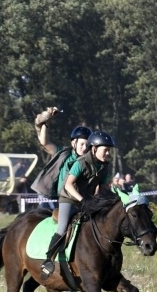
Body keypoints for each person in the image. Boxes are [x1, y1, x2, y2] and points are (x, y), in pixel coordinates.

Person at [41, 130, 115, 278]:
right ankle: (48, 261)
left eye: (109, 150)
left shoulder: (104, 167)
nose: (108, 153)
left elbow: (102, 188)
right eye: (105, 150)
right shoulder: (80, 163)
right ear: (94, 149)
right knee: (62, 228)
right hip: (68, 199)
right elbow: (68, 185)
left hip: (86, 201)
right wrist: (83, 201)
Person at [31, 106, 92, 211]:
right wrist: (46, 122)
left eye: (87, 145)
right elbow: (44, 142)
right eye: (82, 144)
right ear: (74, 143)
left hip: (81, 201)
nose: (84, 148)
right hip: (61, 200)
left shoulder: (90, 161)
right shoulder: (63, 153)